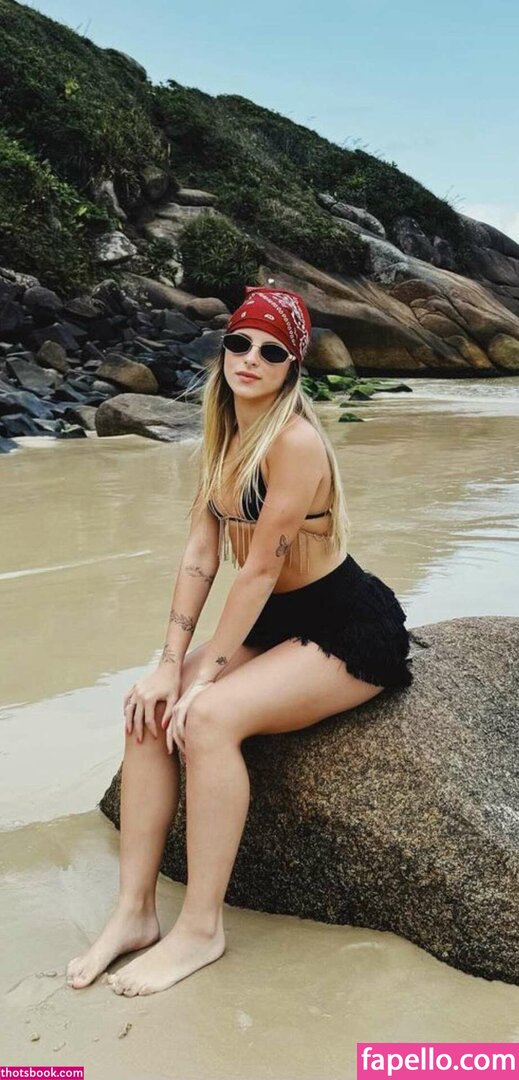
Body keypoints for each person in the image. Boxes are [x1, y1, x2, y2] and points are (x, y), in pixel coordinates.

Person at [66, 284, 413, 996]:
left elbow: (258, 571)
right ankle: (134, 913)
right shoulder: (223, 432)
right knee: (147, 709)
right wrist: (168, 666)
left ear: (292, 367)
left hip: (345, 624)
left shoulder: (295, 442)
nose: (251, 358)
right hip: (276, 621)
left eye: (271, 351)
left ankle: (201, 928)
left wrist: (203, 680)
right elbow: (201, 554)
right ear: (223, 349)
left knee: (207, 718)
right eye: (239, 342)